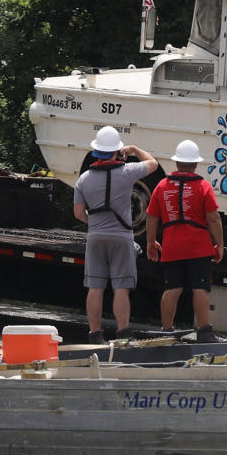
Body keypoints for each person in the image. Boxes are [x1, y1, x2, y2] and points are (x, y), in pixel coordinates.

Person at [73, 126, 159, 344]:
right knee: (121, 288)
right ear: (115, 152)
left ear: (96, 151)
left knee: (95, 287)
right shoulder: (127, 172)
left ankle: (95, 335)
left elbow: (77, 213)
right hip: (121, 237)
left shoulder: (83, 179)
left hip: (95, 237)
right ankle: (122, 335)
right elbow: (153, 164)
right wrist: (133, 149)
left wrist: (93, 222)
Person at [145, 139, 226, 343]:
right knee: (200, 288)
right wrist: (219, 244)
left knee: (172, 288)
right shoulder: (203, 187)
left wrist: (151, 241)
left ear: (177, 163)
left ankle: (166, 330)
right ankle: (204, 332)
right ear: (196, 164)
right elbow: (214, 218)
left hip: (172, 247)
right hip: (199, 247)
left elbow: (152, 216)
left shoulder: (162, 186)